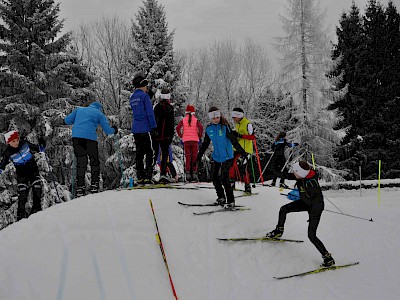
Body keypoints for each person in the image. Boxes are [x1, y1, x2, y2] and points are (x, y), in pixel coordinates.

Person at [265, 161, 335, 268]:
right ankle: (278, 231)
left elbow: (318, 202)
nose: (293, 173)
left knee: (311, 235)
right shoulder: (301, 176)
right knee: (283, 209)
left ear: (301, 173)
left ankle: (328, 258)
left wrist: (311, 215)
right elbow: (286, 175)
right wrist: (273, 171)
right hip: (305, 203)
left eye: (295, 172)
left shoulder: (311, 183)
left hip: (315, 208)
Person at [196, 107, 245, 209]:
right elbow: (205, 144)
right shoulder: (209, 129)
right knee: (214, 177)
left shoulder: (225, 127)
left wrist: (241, 151)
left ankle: (231, 201)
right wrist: (198, 156)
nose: (216, 119)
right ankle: (221, 197)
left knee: (224, 178)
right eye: (214, 118)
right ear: (210, 118)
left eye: (218, 117)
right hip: (217, 156)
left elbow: (233, 140)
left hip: (227, 156)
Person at [64, 101, 117, 196]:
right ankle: (94, 185)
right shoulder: (99, 113)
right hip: (90, 139)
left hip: (77, 138)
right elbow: (108, 131)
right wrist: (114, 130)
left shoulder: (79, 110)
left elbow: (67, 120)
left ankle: (80, 187)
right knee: (94, 162)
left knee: (81, 162)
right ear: (99, 108)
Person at [0, 130, 45, 220]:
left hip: (33, 171)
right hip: (22, 175)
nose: (16, 142)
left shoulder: (25, 144)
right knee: (23, 195)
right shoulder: (8, 152)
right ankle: (20, 215)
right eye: (13, 141)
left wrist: (41, 145)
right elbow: (3, 164)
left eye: (17, 139)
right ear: (8, 142)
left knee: (37, 188)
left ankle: (37, 209)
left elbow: (37, 148)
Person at [129, 74, 157, 184]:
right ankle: (148, 175)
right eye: (146, 86)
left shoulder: (132, 97)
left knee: (139, 153)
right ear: (143, 85)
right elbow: (149, 113)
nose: (147, 88)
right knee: (150, 152)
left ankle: (140, 176)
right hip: (145, 128)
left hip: (136, 128)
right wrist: (154, 126)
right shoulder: (145, 97)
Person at [176, 104, 204, 182]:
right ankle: (194, 173)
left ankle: (188, 173)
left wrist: (181, 135)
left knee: (188, 157)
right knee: (194, 157)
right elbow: (201, 128)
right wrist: (199, 135)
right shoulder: (196, 120)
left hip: (186, 141)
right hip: (195, 140)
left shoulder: (183, 120)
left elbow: (178, 128)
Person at [230, 107, 255, 193]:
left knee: (243, 167)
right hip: (237, 148)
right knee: (231, 165)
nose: (233, 119)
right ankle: (231, 183)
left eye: (234, 117)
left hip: (246, 150)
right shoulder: (237, 124)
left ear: (239, 116)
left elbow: (253, 137)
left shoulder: (248, 124)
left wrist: (240, 136)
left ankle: (247, 186)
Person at [153, 88, 175, 183]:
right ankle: (160, 173)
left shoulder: (160, 107)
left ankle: (162, 174)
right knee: (162, 154)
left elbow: (170, 123)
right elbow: (171, 123)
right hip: (163, 135)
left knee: (159, 154)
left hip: (161, 135)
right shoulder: (164, 107)